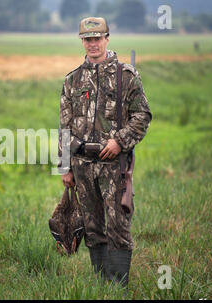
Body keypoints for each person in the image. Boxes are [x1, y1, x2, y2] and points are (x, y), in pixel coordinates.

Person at [57, 17, 152, 288]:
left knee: (118, 228)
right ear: (82, 42)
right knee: (93, 228)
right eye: (87, 39)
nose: (93, 44)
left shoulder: (125, 76)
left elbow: (142, 116)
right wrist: (65, 167)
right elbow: (63, 126)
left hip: (115, 166)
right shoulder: (72, 80)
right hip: (83, 165)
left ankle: (119, 288)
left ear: (107, 38)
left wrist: (120, 142)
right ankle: (102, 287)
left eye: (97, 38)